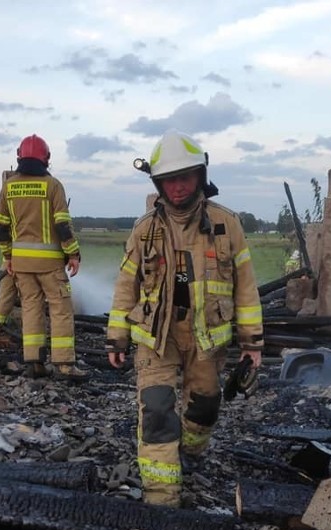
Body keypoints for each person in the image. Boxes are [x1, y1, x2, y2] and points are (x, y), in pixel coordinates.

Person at [105, 130, 264, 507]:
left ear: (200, 176)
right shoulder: (145, 229)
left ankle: (190, 454)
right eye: (169, 179)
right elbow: (126, 284)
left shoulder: (227, 225)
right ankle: (162, 499)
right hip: (155, 336)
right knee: (158, 410)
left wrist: (252, 344)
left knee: (206, 406)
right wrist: (116, 337)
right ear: (158, 183)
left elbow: (246, 287)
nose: (177, 187)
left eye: (184, 177)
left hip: (207, 335)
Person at [0, 134, 87, 380]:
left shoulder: (9, 186)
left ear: (19, 156)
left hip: (22, 265)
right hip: (50, 265)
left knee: (31, 309)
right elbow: (63, 225)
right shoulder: (52, 185)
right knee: (60, 309)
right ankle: (64, 365)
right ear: (47, 158)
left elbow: (0, 225)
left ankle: (35, 362)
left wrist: (8, 256)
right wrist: (73, 254)